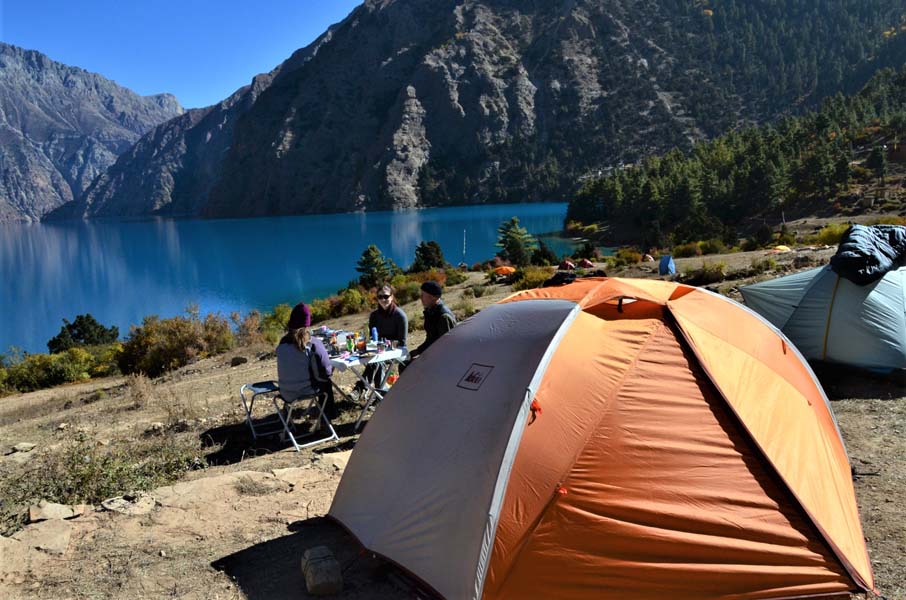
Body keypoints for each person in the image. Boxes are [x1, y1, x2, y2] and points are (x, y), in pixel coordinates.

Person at [276, 302, 337, 421]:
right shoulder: (312, 343)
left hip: (285, 392)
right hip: (306, 391)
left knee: (321, 380)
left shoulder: (282, 344)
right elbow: (326, 372)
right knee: (326, 383)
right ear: (307, 324)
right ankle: (328, 419)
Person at [360, 284, 408, 391]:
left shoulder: (400, 316)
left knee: (378, 362)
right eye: (380, 297)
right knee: (376, 360)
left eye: (386, 296)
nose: (383, 299)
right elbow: (372, 338)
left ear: (392, 296)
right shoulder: (374, 316)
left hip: (397, 352)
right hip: (378, 351)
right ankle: (376, 393)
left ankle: (365, 390)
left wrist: (384, 347)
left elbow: (402, 343)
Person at [410, 280, 456, 359]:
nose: (420, 298)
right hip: (433, 353)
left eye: (423, 295)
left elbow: (447, 346)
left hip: (443, 358)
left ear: (432, 297)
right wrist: (417, 351)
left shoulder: (443, 317)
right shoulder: (431, 311)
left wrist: (424, 356)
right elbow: (430, 339)